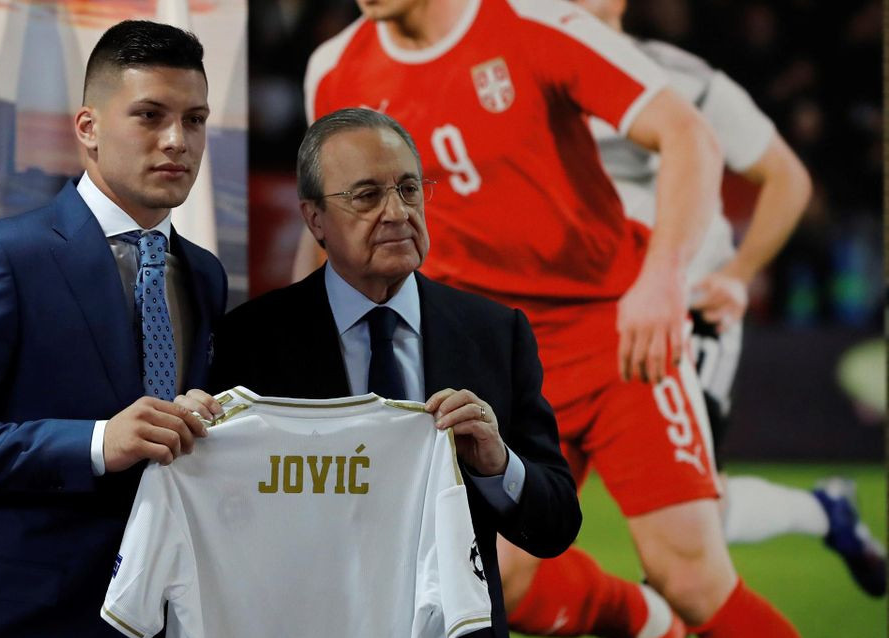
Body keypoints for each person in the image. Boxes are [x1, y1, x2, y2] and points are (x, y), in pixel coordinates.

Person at [301, 0, 800, 636]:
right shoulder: (336, 69)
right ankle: (647, 621)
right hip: (496, 361)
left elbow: (688, 135)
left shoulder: (533, 23)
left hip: (616, 335)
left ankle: (667, 608)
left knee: (691, 577)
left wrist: (663, 279)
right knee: (498, 576)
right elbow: (330, 223)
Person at [0, 20, 227, 637]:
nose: (177, 141)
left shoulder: (203, 274)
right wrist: (96, 442)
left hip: (158, 615)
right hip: (15, 617)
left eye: (194, 119)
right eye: (150, 115)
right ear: (88, 128)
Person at [196, 107, 581, 638]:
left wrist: (498, 466)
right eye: (367, 196)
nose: (398, 212)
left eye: (409, 189)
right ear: (314, 220)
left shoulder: (496, 333)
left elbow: (557, 525)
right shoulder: (252, 341)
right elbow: (224, 523)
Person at [576, 0, 886, 598]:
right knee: (687, 517)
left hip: (688, 310)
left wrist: (738, 275)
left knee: (686, 524)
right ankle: (826, 511)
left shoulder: (679, 77)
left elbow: (787, 177)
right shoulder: (528, 82)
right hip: (591, 317)